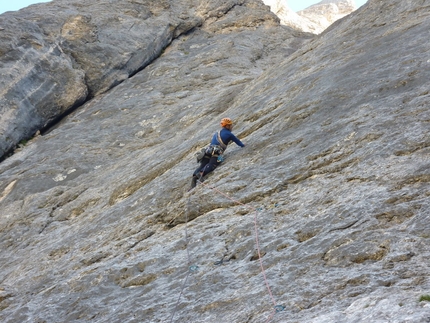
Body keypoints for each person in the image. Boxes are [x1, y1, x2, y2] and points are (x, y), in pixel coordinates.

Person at [190, 117, 245, 189]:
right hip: (216, 151)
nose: (232, 127)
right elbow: (238, 142)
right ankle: (200, 174)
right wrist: (243, 145)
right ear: (227, 126)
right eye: (231, 125)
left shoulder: (217, 133)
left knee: (203, 165)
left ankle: (194, 178)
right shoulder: (229, 134)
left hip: (208, 151)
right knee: (213, 164)